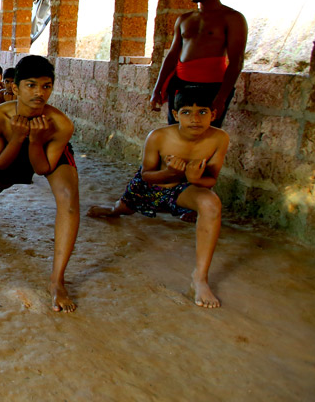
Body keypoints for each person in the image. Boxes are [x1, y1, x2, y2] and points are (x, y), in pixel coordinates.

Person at [0, 56, 81, 313]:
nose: (39, 93)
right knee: (2, 180)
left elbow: (42, 168)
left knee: (69, 201)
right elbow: (0, 162)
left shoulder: (61, 124)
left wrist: (36, 141)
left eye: (46, 86)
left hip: (46, 149)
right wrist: (20, 136)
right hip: (13, 147)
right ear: (15, 88)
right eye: (31, 85)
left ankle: (57, 281)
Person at [88, 87, 229, 308]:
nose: (194, 119)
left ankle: (199, 278)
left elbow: (210, 180)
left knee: (210, 203)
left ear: (214, 114)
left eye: (202, 112)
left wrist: (192, 178)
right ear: (175, 114)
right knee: (124, 208)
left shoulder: (219, 138)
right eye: (186, 112)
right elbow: (147, 175)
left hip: (183, 189)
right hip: (151, 186)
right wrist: (171, 173)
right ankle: (114, 209)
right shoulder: (159, 137)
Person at [150, 0, 247, 127]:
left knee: (205, 137)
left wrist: (221, 98)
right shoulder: (184, 19)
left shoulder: (233, 18)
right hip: (180, 84)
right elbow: (172, 56)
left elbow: (236, 61)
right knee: (176, 133)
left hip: (212, 88)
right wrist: (157, 89)